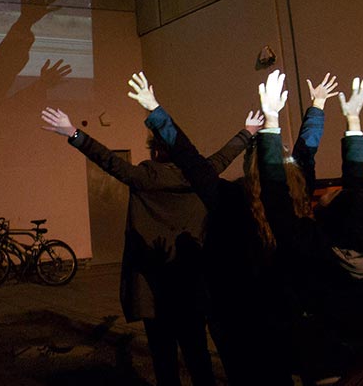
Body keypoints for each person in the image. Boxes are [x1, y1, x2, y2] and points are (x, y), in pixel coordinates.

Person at [40, 106, 261, 386]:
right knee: (198, 355)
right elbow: (224, 156)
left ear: (155, 151)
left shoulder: (143, 178)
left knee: (163, 359)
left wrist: (73, 132)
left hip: (153, 289)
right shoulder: (201, 176)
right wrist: (247, 132)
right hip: (192, 283)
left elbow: (107, 160)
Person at [127, 71, 300, 385]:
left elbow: (191, 159)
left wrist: (156, 111)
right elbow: (286, 174)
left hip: (236, 323)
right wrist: (272, 122)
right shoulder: (292, 215)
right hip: (277, 323)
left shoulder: (229, 200)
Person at [256, 70, 363, 385]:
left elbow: (273, 192)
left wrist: (271, 123)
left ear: (325, 217)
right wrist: (352, 121)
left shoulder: (308, 245)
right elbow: (360, 185)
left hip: (328, 364)